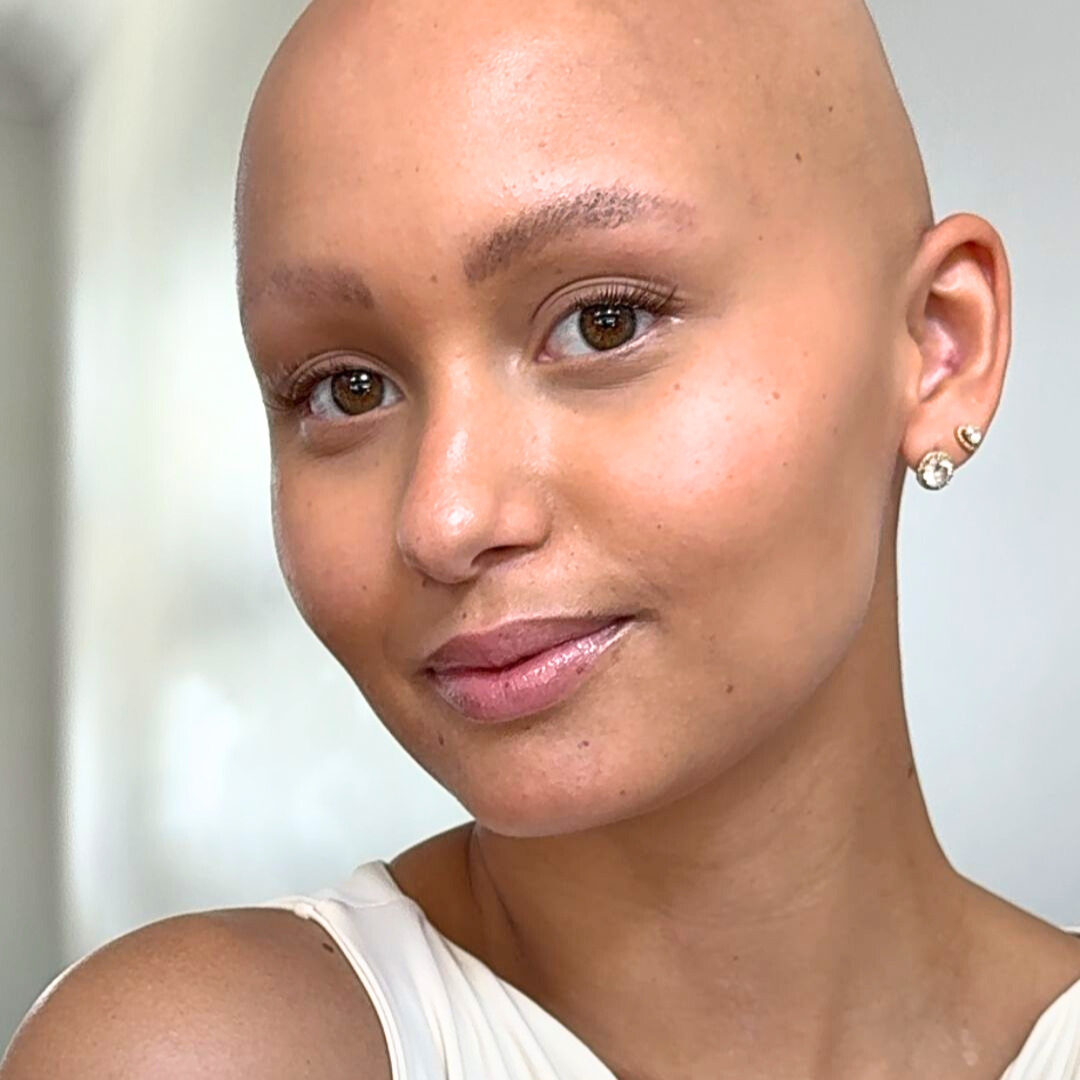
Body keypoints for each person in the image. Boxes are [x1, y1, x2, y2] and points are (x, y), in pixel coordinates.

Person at [4, 0, 1079, 1076]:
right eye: (346, 388)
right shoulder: (204, 1056)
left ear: (939, 344)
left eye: (603, 322)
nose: (445, 519)